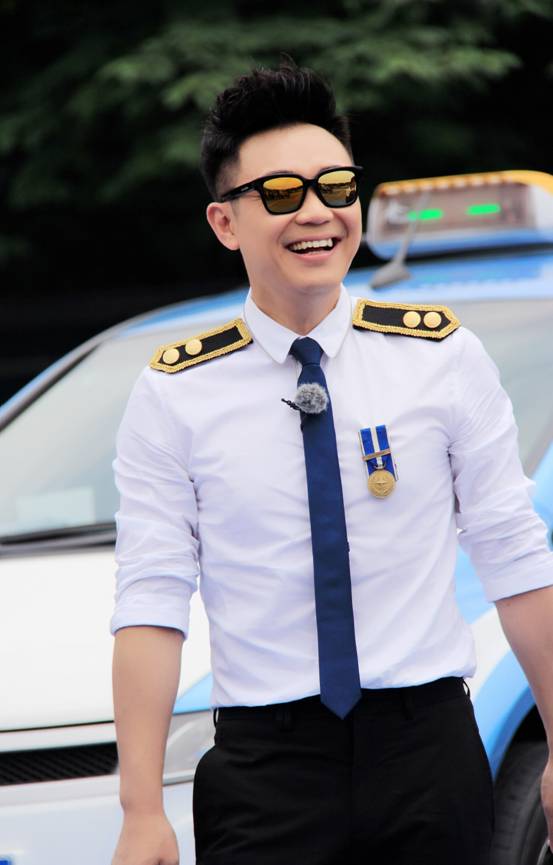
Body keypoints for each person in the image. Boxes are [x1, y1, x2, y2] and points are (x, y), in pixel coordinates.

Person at [110, 60, 553, 865]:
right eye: (280, 193)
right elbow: (151, 597)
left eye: (335, 187)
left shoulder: (440, 356)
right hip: (266, 770)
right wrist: (141, 808)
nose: (315, 212)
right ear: (224, 222)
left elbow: (513, 552)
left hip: (427, 753)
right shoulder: (175, 392)